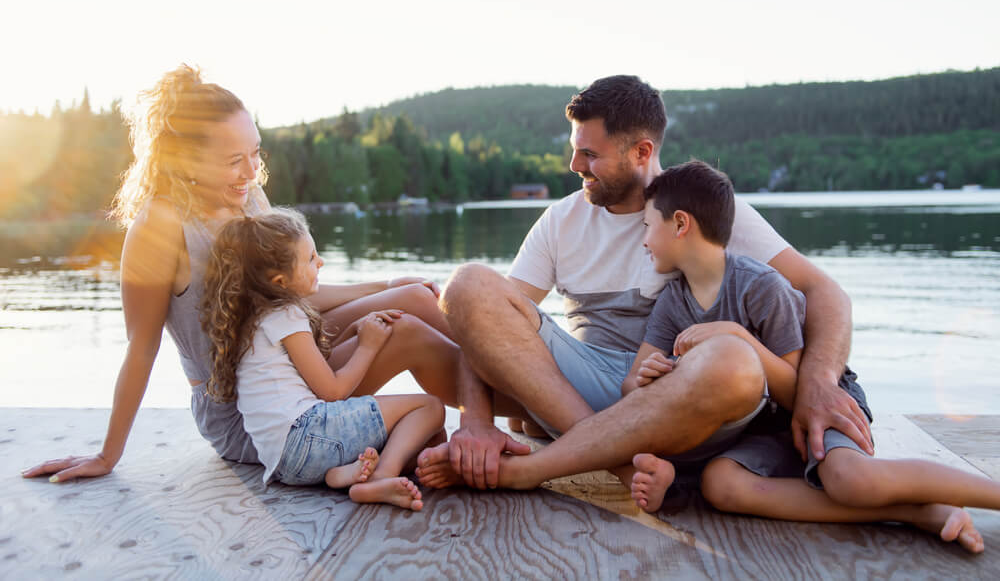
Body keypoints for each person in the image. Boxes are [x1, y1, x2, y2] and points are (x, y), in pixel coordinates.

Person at [416, 74, 870, 491]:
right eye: (575, 149)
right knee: (466, 286)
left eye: (590, 154)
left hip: (681, 400)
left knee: (735, 360)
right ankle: (617, 462)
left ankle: (557, 454)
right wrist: (474, 420)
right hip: (586, 389)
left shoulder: (701, 212)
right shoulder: (562, 220)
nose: (574, 165)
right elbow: (484, 324)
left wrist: (817, 383)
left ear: (641, 152)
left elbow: (824, 291)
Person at [23, 65, 461, 483]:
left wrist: (386, 285)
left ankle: (515, 407)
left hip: (286, 360)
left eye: (255, 154)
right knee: (403, 333)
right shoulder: (160, 224)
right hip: (249, 411)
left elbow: (290, 297)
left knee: (417, 299)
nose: (251, 172)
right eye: (234, 160)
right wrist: (107, 454)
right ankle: (496, 418)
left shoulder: (249, 198)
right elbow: (142, 348)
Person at [624, 160, 993, 553]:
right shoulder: (671, 303)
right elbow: (631, 386)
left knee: (850, 480)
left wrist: (736, 336)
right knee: (720, 484)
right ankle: (915, 512)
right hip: (761, 431)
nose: (644, 240)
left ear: (680, 224)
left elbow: (794, 391)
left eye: (648, 226)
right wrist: (650, 377)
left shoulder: (762, 286)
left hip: (816, 402)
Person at [202, 208, 443, 509]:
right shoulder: (285, 315)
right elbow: (332, 391)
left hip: (285, 464)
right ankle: (382, 476)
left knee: (429, 440)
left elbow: (304, 371)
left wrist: (356, 329)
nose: (321, 262)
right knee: (430, 408)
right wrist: (368, 346)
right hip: (309, 435)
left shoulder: (250, 321)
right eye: (311, 258)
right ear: (279, 281)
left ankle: (339, 475)